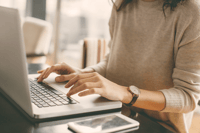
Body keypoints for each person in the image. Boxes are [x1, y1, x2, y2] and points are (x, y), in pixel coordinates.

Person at [37, 0, 200, 132]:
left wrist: (125, 93)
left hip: (157, 126)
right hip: (111, 113)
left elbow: (187, 96)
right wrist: (83, 74)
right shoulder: (121, 5)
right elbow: (111, 62)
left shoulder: (191, 12)